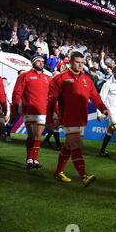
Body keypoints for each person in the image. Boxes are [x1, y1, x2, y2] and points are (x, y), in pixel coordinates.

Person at [46, 51, 109, 186]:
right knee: (77, 145)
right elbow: (51, 101)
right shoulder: (60, 79)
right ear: (70, 62)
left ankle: (58, 172)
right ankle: (83, 176)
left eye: (82, 63)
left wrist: (103, 108)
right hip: (68, 118)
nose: (80, 65)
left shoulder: (87, 79)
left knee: (68, 146)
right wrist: (49, 120)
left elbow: (95, 97)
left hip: (81, 119)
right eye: (77, 62)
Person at [11, 55, 51, 169]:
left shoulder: (47, 78)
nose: (41, 63)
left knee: (38, 136)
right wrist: (14, 110)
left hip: (43, 111)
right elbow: (16, 93)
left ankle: (35, 159)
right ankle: (29, 159)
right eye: (38, 61)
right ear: (33, 63)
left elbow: (51, 95)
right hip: (29, 110)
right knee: (32, 135)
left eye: (42, 61)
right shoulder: (24, 76)